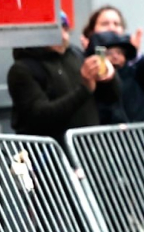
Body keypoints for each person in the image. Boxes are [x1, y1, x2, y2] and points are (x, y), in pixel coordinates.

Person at [7, 12, 120, 143]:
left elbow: (111, 97)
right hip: (50, 153)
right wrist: (84, 89)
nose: (64, 35)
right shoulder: (23, 69)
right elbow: (40, 116)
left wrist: (109, 78)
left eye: (66, 28)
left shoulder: (75, 54)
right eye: (57, 29)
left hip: (88, 147)